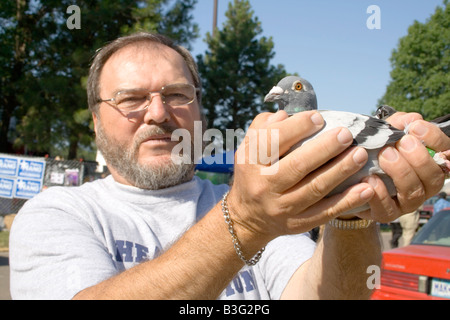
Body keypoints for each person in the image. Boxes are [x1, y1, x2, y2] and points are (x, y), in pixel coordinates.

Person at [9, 32, 450, 300]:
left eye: (178, 94)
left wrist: (351, 210)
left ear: (200, 110)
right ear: (95, 122)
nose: (159, 113)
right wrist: (244, 220)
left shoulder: (256, 203)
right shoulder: (56, 215)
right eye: (131, 99)